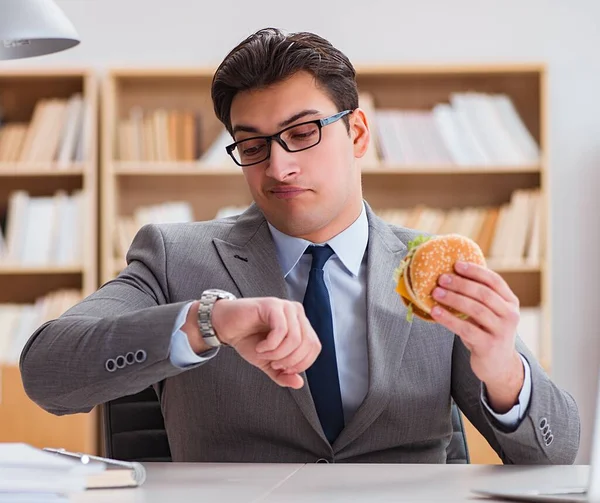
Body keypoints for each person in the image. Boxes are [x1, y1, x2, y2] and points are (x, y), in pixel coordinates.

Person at [20, 27, 579, 464]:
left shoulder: (434, 271)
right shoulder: (175, 256)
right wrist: (207, 323)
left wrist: (504, 370)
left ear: (357, 133)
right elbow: (47, 373)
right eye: (253, 144)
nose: (279, 165)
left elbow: (555, 455)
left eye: (303, 132)